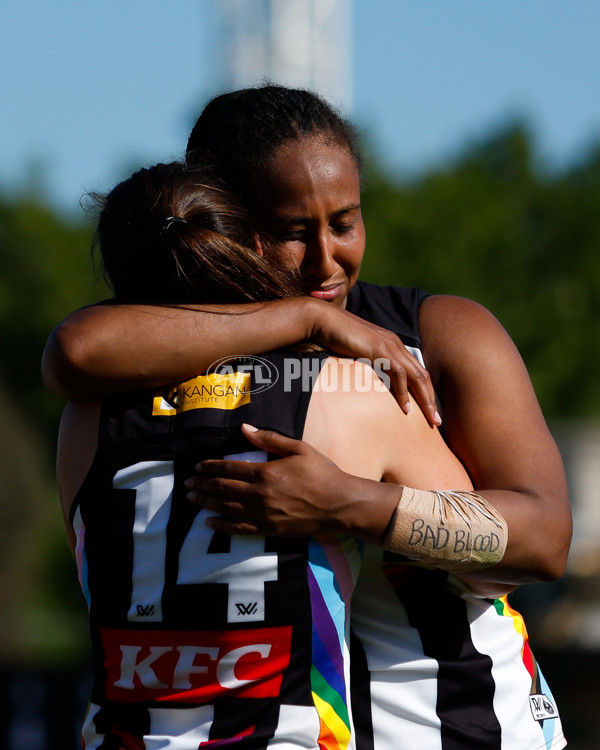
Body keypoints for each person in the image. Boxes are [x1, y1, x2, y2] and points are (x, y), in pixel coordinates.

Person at [45, 85, 569, 748]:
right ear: (225, 220)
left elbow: (544, 538)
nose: (327, 260)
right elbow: (73, 349)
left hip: (469, 726)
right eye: (292, 232)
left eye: (344, 222)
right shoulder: (154, 353)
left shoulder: (440, 334)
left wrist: (351, 503)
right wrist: (307, 318)